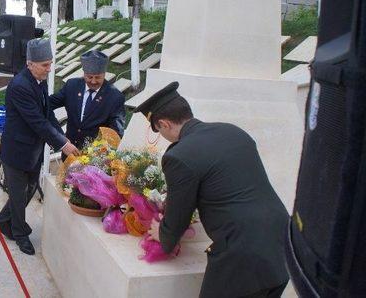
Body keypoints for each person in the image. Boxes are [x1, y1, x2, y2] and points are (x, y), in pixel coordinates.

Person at [135, 82, 290, 298]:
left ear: (164, 124)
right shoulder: (233, 132)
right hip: (282, 243)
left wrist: (162, 234)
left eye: (159, 130)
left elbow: (179, 214)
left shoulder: (179, 156)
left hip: (242, 256)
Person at [0, 38, 81, 255]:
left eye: (50, 64)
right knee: (18, 193)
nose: (49, 69)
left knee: (30, 189)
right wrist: (63, 144)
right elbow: (37, 122)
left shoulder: (40, 81)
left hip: (33, 149)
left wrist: (64, 140)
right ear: (30, 63)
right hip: (17, 150)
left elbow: (47, 113)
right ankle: (19, 234)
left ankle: (1, 222)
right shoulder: (20, 85)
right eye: (45, 65)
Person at [49, 50, 125, 156]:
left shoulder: (114, 97)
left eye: (98, 77)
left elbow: (116, 133)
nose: (93, 81)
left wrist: (98, 153)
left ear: (104, 74)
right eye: (89, 77)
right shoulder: (72, 86)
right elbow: (48, 104)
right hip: (70, 153)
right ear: (84, 73)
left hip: (96, 158)